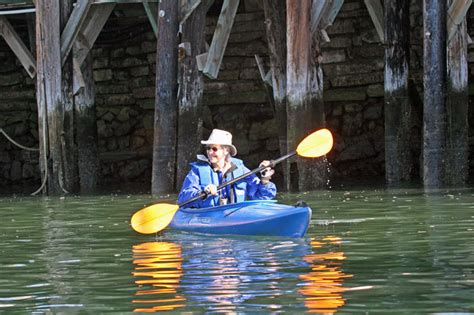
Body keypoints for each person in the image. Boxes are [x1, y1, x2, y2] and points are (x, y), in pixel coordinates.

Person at [178, 129, 276, 208]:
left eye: (214, 149)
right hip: (207, 216)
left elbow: (261, 197)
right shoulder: (197, 171)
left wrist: (265, 180)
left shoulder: (241, 170)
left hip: (234, 216)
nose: (210, 152)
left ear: (226, 150)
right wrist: (203, 192)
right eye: (208, 148)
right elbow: (183, 199)